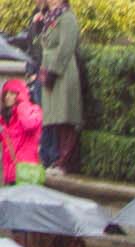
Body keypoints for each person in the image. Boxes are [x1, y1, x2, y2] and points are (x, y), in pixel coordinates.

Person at [35, 0, 80, 171]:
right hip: (48, 70)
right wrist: (39, 27)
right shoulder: (48, 17)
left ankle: (64, 161)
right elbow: (43, 43)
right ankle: (56, 159)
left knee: (65, 116)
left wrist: (53, 71)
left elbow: (66, 47)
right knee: (53, 116)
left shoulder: (67, 17)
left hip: (63, 72)